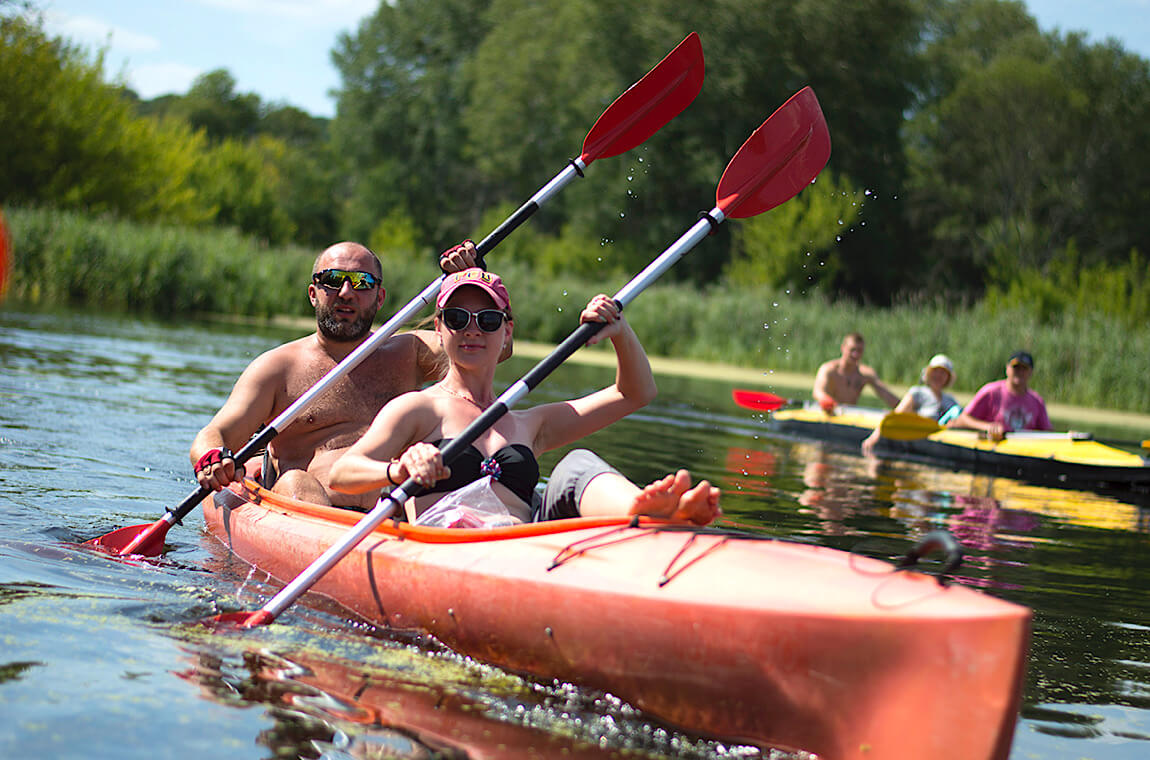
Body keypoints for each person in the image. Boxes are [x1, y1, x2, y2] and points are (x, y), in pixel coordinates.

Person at [328, 267, 721, 526]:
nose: (472, 330)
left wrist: (619, 330)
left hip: (522, 544)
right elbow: (343, 474)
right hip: (448, 544)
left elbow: (636, 393)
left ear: (507, 332)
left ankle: (642, 516)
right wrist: (398, 471)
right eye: (457, 318)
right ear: (440, 327)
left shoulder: (529, 424)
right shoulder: (418, 408)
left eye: (488, 320)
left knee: (578, 462)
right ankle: (649, 519)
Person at [189, 240, 483, 510]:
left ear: (380, 298)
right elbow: (216, 434)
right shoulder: (277, 367)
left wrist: (470, 284)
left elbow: (490, 348)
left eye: (362, 283)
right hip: (311, 507)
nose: (346, 293)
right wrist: (211, 458)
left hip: (395, 507)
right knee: (295, 482)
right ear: (313, 294)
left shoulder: (410, 351)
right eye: (331, 280)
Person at [861, 353, 961, 456]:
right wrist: (874, 437)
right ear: (928, 373)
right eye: (935, 371)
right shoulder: (917, 393)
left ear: (948, 378)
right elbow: (896, 415)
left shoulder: (951, 401)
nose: (938, 376)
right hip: (918, 440)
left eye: (943, 373)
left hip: (942, 444)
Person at [950, 350, 1051, 441]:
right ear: (1007, 369)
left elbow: (1048, 434)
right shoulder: (991, 392)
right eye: (1016, 367)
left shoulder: (1037, 401)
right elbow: (963, 419)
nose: (1020, 372)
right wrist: (988, 427)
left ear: (1031, 372)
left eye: (1024, 369)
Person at [812, 332, 900, 412]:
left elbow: (887, 395)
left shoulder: (865, 374)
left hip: (849, 416)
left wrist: (906, 406)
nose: (856, 354)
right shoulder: (828, 369)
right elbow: (817, 391)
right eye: (852, 350)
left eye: (859, 351)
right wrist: (826, 400)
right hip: (828, 413)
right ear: (843, 348)